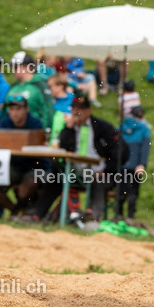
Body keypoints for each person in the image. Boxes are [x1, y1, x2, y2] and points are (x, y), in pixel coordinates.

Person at [55, 90, 126, 222]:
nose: (76, 112)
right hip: (74, 172)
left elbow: (121, 151)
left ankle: (92, 217)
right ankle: (39, 214)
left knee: (99, 182)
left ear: (89, 111)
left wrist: (105, 170)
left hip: (100, 172)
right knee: (51, 177)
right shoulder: (70, 128)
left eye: (80, 109)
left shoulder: (102, 127)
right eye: (74, 108)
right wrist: (68, 129)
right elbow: (62, 148)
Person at [119, 105, 151, 221]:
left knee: (120, 192)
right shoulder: (144, 129)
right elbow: (145, 148)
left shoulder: (121, 126)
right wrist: (142, 164)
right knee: (132, 193)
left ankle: (119, 216)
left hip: (120, 166)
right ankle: (130, 218)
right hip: (135, 166)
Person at [9, 51, 52, 129]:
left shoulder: (40, 85)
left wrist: (45, 133)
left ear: (27, 67)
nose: (13, 71)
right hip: (13, 134)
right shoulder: (13, 87)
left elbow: (48, 111)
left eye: (16, 67)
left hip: (35, 132)